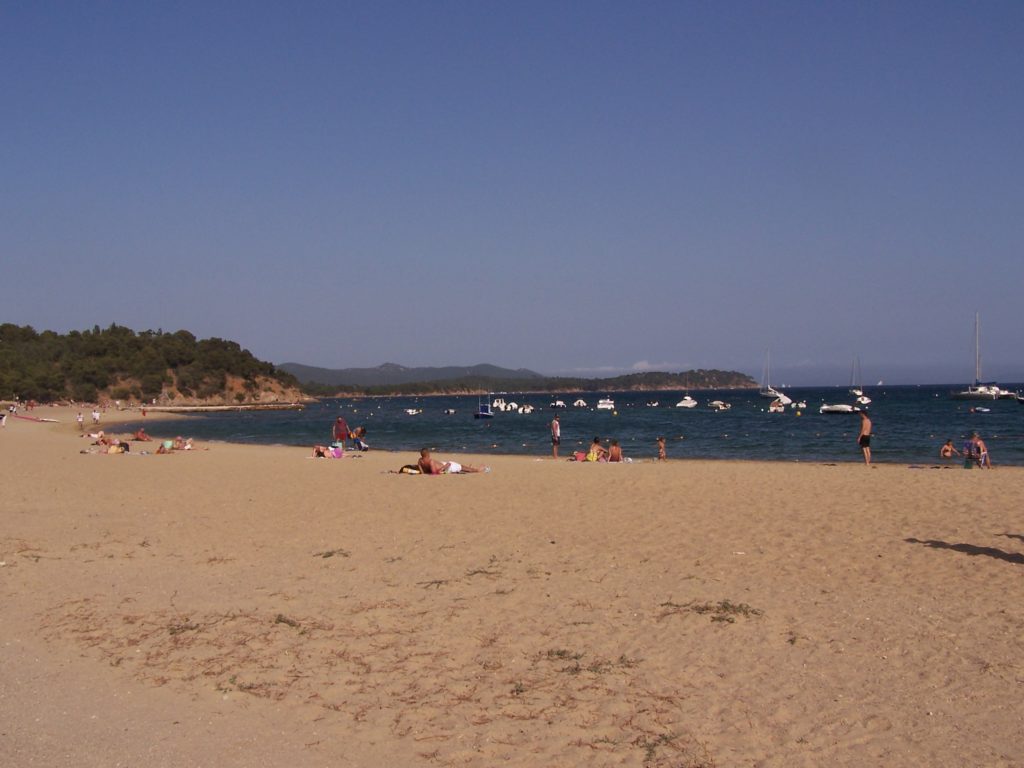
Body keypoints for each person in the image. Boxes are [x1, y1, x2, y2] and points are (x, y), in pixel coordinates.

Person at [417, 448, 487, 474]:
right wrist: (445, 466)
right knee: (462, 467)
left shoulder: (420, 461)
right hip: (448, 467)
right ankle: (477, 470)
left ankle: (471, 468)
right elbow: (434, 472)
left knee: (462, 467)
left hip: (443, 464)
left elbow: (422, 472)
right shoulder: (431, 461)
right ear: (428, 454)